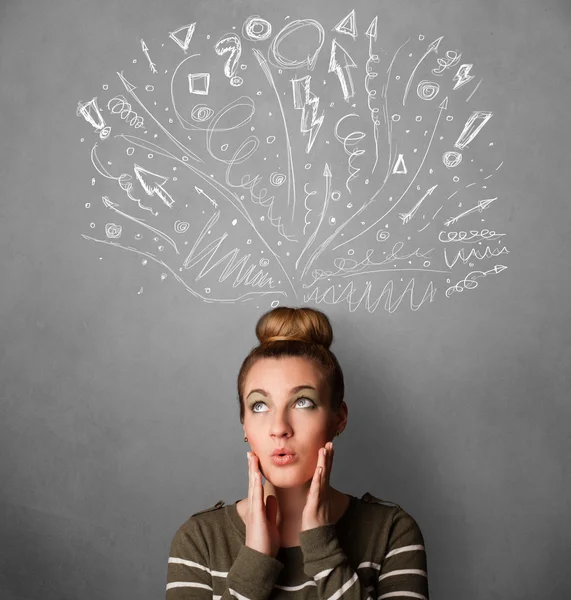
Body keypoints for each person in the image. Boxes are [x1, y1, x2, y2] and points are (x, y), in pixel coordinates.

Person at [165, 306, 429, 600]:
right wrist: (255, 560)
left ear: (339, 418)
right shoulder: (200, 539)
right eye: (260, 405)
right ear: (244, 424)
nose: (279, 428)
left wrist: (322, 546)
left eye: (303, 402)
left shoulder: (391, 531)